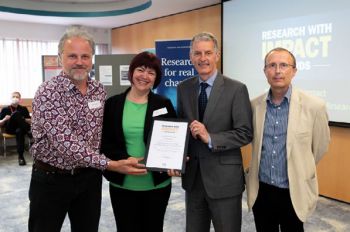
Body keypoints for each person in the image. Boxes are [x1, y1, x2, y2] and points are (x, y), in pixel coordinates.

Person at [28, 26, 146, 232]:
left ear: (92, 58)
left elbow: (103, 133)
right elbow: (65, 143)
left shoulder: (98, 90)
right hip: (51, 179)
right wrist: (110, 164)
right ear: (60, 58)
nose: (79, 62)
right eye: (72, 56)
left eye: (85, 56)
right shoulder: (48, 92)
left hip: (89, 179)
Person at [246, 47, 331, 232]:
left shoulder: (314, 106)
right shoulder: (254, 105)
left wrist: (300, 164)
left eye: (284, 65)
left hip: (294, 191)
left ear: (294, 71)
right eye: (272, 65)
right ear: (265, 71)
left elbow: (320, 147)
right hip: (262, 191)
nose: (277, 71)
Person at [175, 32, 253, 231]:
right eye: (197, 53)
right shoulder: (183, 88)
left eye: (208, 53)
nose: (203, 58)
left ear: (217, 56)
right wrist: (175, 156)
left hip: (224, 180)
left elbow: (245, 132)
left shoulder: (236, 89)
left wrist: (211, 138)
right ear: (191, 57)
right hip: (193, 180)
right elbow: (181, 129)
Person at [101, 51, 177, 232]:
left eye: (151, 73)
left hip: (156, 183)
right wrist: (126, 160)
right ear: (132, 72)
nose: (145, 76)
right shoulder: (113, 104)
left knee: (153, 228)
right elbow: (105, 142)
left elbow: (174, 138)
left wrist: (176, 160)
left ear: (156, 78)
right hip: (123, 182)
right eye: (140, 70)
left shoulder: (163, 104)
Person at [0, 91, 32, 165]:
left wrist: (22, 119)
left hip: (21, 129)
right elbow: (0, 123)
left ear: (20, 99)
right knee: (16, 113)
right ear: (11, 98)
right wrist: (5, 119)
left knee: (19, 131)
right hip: (10, 129)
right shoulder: (5, 109)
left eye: (17, 97)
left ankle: (21, 157)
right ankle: (29, 133)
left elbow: (30, 121)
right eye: (13, 97)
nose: (15, 98)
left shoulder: (23, 109)